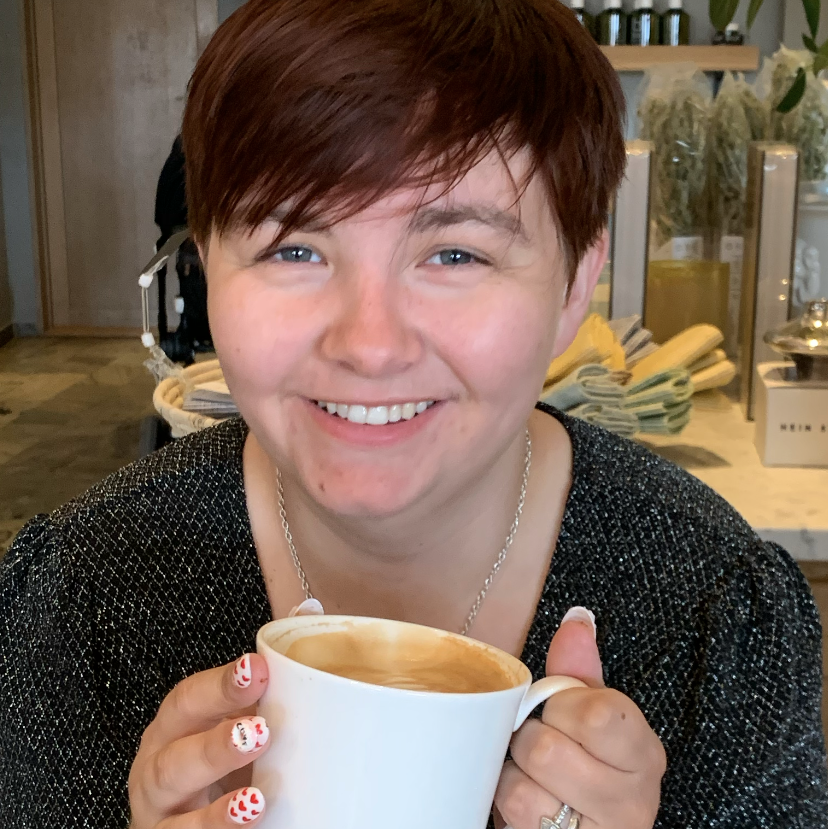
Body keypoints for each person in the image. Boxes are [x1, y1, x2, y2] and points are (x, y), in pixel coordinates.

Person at [1, 0, 825, 827]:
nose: (370, 344)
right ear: (208, 269)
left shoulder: (715, 617)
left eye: (456, 253)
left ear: (576, 280)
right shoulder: (81, 602)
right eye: (295, 247)